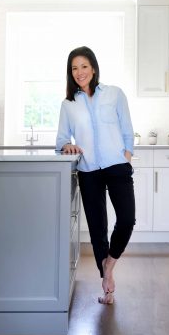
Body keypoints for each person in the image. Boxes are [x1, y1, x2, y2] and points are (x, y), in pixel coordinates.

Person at [56, 46, 135, 305]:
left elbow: (127, 130)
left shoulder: (114, 94)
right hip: (88, 170)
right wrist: (67, 146)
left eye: (84, 66)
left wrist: (127, 155)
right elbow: (61, 140)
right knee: (97, 229)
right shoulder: (68, 105)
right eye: (74, 68)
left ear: (93, 68)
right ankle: (107, 283)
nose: (79, 72)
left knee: (126, 219)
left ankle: (109, 263)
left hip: (116, 166)